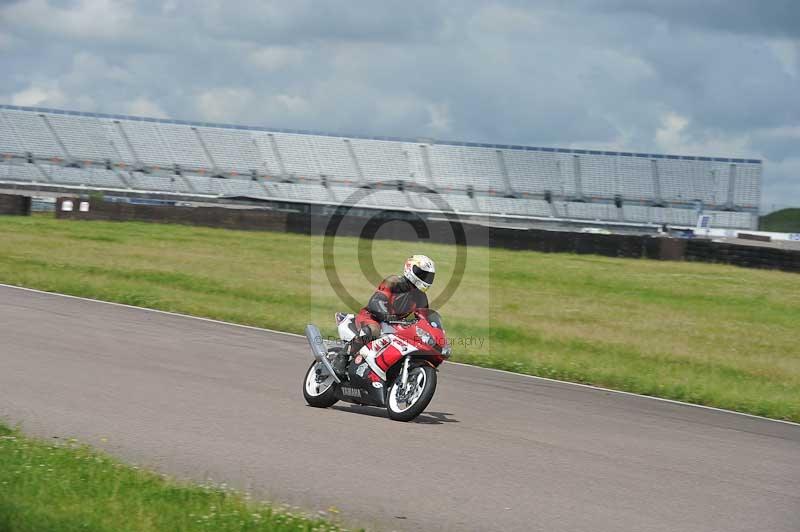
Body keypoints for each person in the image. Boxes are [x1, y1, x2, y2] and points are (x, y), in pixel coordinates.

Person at [332, 254, 435, 378]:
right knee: (374, 330)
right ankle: (343, 356)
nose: (425, 278)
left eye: (428, 276)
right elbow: (376, 301)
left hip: (395, 324)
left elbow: (424, 319)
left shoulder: (421, 298)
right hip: (372, 317)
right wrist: (386, 315)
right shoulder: (394, 282)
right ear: (409, 268)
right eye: (421, 273)